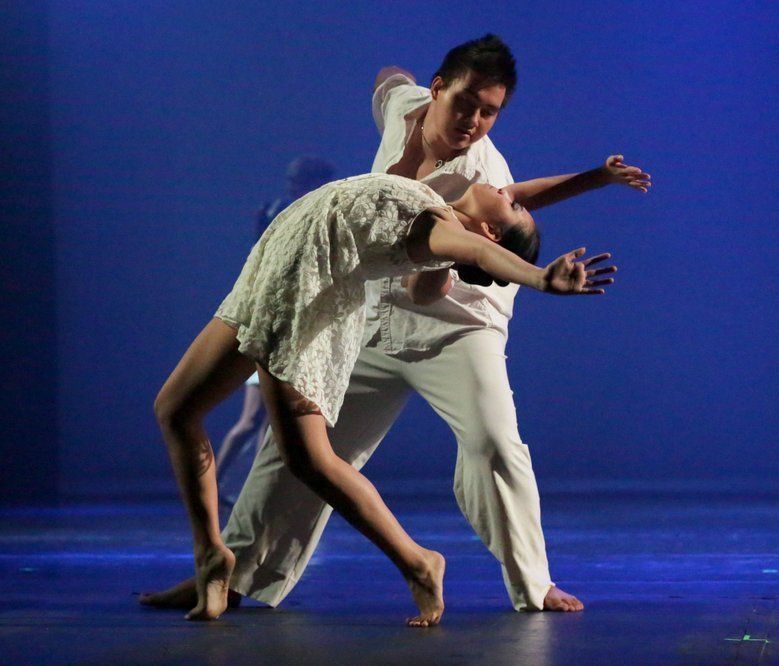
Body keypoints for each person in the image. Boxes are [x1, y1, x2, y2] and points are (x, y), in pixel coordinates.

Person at [141, 34, 650, 616]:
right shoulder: (406, 107)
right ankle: (230, 573)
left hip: (459, 325)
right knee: (296, 451)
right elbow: (390, 78)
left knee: (492, 443)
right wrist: (595, 176)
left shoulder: (478, 170)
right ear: (437, 89)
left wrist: (536, 275)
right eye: (467, 104)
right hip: (367, 312)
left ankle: (531, 583)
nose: (475, 122)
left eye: (490, 113)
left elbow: (484, 240)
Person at [153, 169, 617, 624]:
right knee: (175, 411)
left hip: (301, 300)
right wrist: (597, 176)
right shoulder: (441, 207)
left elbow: (479, 250)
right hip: (266, 277)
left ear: (492, 230)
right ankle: (211, 556)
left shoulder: (443, 234)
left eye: (513, 206)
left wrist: (539, 278)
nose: (508, 189)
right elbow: (489, 219)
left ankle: (418, 562)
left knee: (309, 461)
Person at [215, 157, 335, 505]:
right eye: (291, 179)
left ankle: (258, 491)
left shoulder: (320, 212)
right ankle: (217, 482)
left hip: (298, 325)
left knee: (276, 423)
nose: (293, 185)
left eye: (299, 179)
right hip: (271, 324)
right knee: (254, 420)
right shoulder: (275, 211)